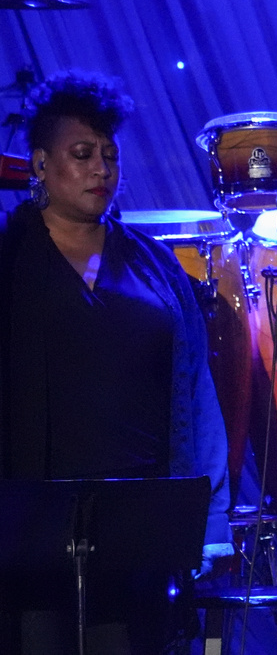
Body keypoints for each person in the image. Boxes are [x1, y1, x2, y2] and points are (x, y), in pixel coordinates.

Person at [0, 71, 231, 652]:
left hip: (137, 529)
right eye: (82, 154)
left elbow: (196, 392)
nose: (102, 169)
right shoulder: (9, 258)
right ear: (39, 164)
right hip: (29, 530)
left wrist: (211, 523)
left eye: (109, 155)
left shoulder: (154, 266)